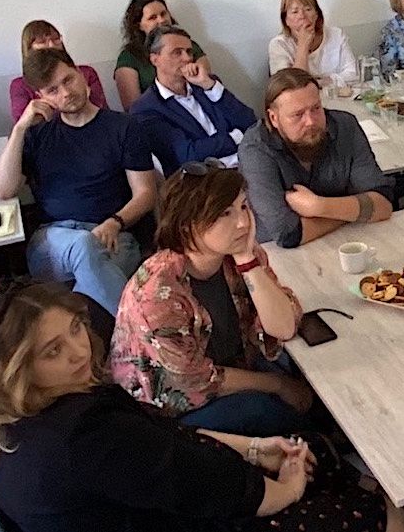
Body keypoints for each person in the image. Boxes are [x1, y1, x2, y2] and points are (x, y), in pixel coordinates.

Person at [0, 279, 404, 532]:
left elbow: (164, 439)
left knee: (307, 447)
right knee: (374, 514)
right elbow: (212, 488)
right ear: (17, 370)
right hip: (178, 517)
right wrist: (286, 491)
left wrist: (254, 449)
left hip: (158, 503)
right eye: (52, 351)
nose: (78, 351)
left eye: (75, 329)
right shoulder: (86, 436)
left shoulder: (27, 416)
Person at [110, 165, 311, 436]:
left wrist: (246, 261)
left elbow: (283, 327)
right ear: (187, 225)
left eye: (243, 206)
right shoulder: (157, 294)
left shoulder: (238, 254)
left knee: (309, 374)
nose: (243, 222)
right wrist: (278, 385)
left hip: (233, 365)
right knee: (263, 409)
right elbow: (195, 380)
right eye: (224, 214)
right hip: (169, 411)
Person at [0, 48, 156, 314]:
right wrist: (20, 128)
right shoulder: (38, 135)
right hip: (53, 240)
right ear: (41, 97)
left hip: (114, 234)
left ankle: (94, 329)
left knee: (87, 295)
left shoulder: (123, 127)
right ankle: (139, 328)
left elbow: (146, 193)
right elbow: (2, 189)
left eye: (68, 80)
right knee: (83, 245)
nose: (66, 93)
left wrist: (115, 222)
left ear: (80, 73)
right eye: (53, 90)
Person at [239, 68, 393, 248]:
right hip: (281, 254)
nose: (311, 121)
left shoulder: (345, 126)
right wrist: (352, 211)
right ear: (274, 118)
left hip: (352, 240)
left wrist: (320, 207)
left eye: (316, 108)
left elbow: (383, 204)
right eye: (298, 115)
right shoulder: (255, 149)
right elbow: (288, 234)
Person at [130, 26, 256, 173]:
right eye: (177, 52)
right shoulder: (146, 107)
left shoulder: (206, 84)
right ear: (155, 59)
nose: (187, 58)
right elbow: (187, 154)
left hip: (247, 163)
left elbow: (250, 122)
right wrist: (237, 137)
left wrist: (209, 85)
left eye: (189, 52)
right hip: (204, 179)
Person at [115, 0, 211, 110]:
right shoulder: (129, 57)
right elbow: (132, 107)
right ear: (139, 25)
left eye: (163, 14)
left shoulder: (189, 45)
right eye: (153, 17)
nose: (161, 20)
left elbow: (207, 84)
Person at [9, 20, 108, 122]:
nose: (51, 45)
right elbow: (23, 123)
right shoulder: (20, 85)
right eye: (42, 41)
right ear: (29, 48)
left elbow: (103, 111)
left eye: (56, 39)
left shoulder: (87, 72)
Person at [267, 0, 358, 85]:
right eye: (295, 12)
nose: (302, 16)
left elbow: (354, 73)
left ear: (316, 15)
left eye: (308, 9)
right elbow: (291, 86)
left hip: (335, 93)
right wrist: (303, 45)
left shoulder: (336, 34)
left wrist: (321, 83)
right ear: (286, 20)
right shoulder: (279, 45)